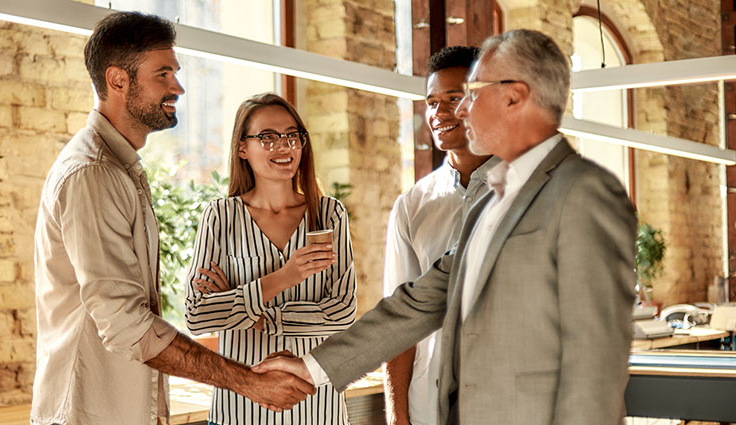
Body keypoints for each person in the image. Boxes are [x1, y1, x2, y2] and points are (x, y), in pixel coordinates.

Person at [254, 29, 637, 425]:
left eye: (463, 97)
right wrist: (316, 368)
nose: (448, 112)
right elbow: (417, 303)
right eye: (436, 102)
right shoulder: (438, 204)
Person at [32, 13, 313, 425]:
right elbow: (125, 322)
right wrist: (247, 381)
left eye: (175, 73)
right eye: (162, 74)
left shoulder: (123, 168)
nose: (177, 87)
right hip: (88, 414)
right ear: (117, 80)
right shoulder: (93, 173)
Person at [185, 93, 357, 425]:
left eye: (293, 136)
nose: (284, 146)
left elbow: (342, 312)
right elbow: (197, 315)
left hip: (319, 412)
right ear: (242, 148)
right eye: (267, 137)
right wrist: (284, 277)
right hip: (239, 413)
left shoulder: (329, 214)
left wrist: (253, 314)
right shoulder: (220, 216)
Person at [383, 46, 498, 425]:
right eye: (432, 102)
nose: (438, 114)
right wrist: (398, 418)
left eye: (454, 98)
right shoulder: (413, 206)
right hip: (431, 407)